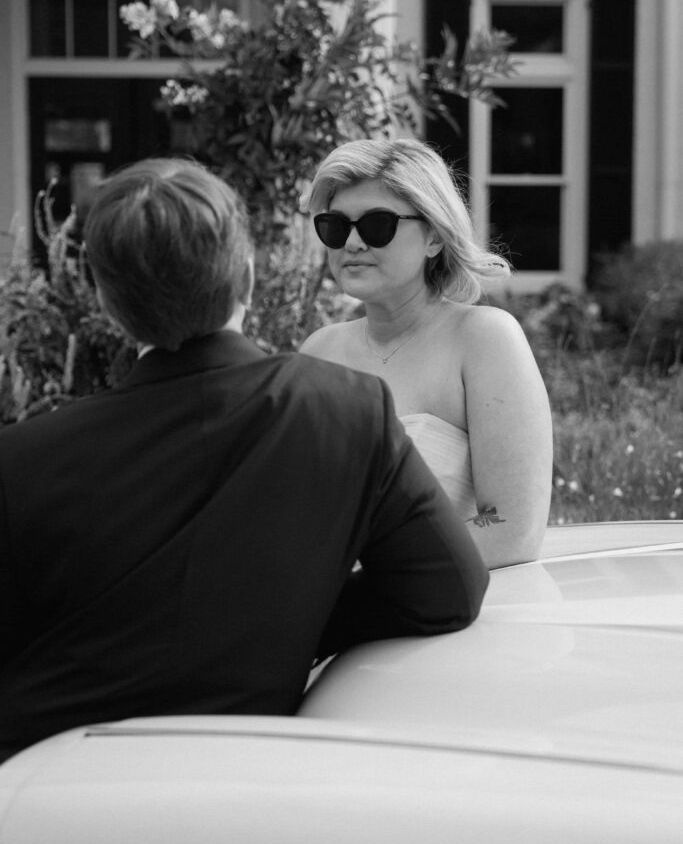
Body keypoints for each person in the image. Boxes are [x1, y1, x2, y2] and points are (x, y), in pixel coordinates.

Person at [0, 157, 488, 763]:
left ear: (106, 302)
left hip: (39, 783)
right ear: (249, 280)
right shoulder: (345, 411)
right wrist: (287, 615)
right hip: (236, 786)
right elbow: (449, 588)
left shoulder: (21, 460)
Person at [300, 138, 553, 569]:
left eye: (377, 225)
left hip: (448, 620)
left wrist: (368, 572)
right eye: (336, 227)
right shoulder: (319, 350)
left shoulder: (485, 339)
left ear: (434, 235)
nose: (353, 243)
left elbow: (514, 529)